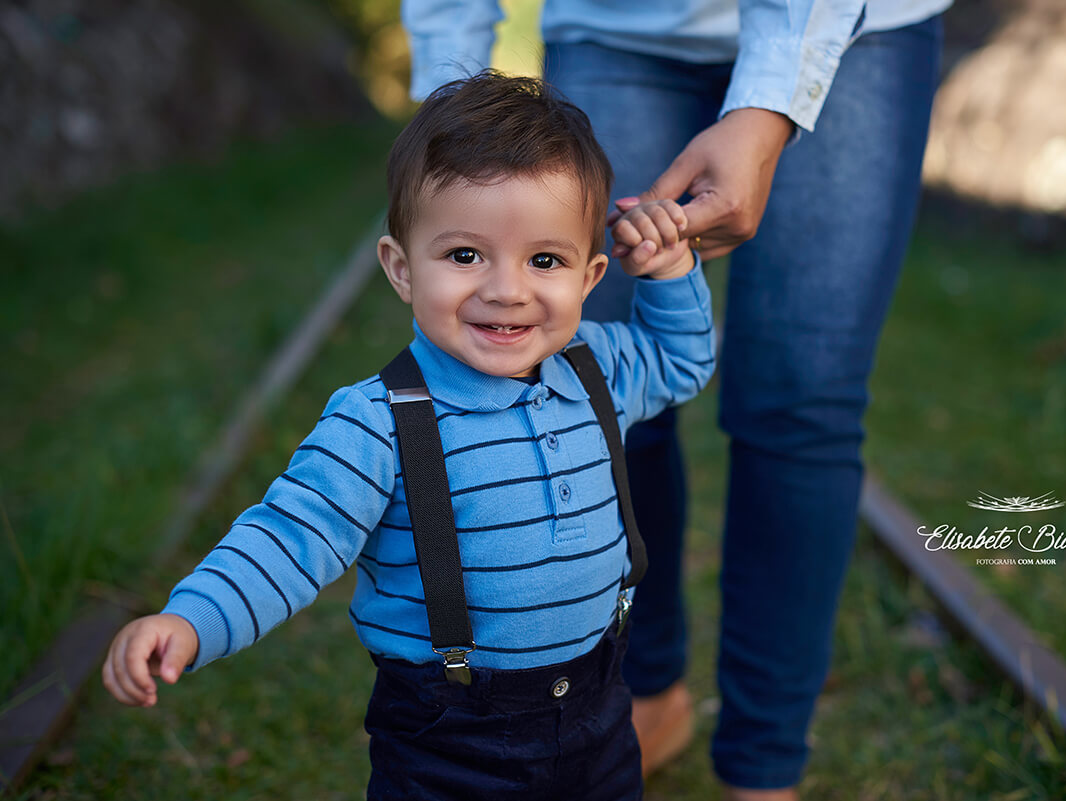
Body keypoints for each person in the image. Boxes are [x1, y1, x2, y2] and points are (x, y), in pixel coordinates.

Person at [102, 71, 717, 799]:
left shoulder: (598, 369)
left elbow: (683, 362)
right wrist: (190, 618)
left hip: (599, 709)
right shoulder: (378, 423)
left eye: (543, 261)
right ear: (400, 268)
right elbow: (289, 537)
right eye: (465, 255)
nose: (506, 289)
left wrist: (673, 269)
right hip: (450, 740)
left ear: (589, 277)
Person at [401, 0, 947, 797]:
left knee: (801, 401)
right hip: (613, 29)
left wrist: (768, 109)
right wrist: (445, 115)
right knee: (596, 392)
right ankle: (646, 692)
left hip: (854, 30)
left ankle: (765, 768)